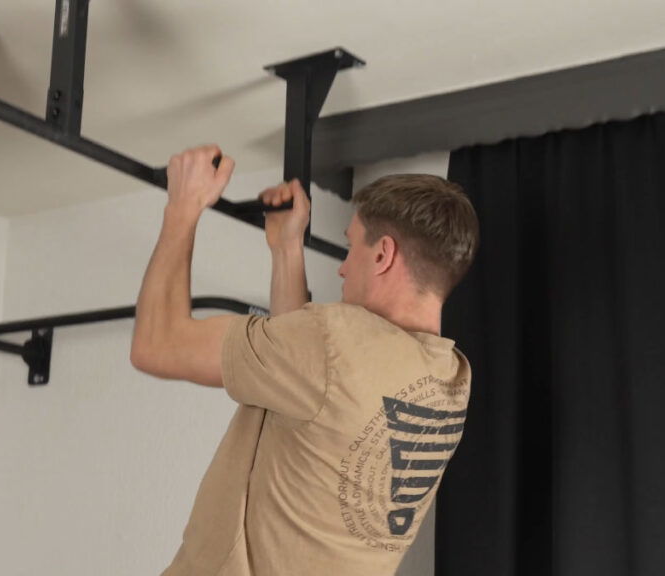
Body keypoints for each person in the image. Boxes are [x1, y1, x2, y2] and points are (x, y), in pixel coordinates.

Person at [131, 145, 479, 576]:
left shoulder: (336, 343)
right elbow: (308, 387)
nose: (341, 269)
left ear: (383, 254)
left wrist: (183, 206)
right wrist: (286, 248)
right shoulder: (449, 381)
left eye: (350, 248)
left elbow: (157, 343)